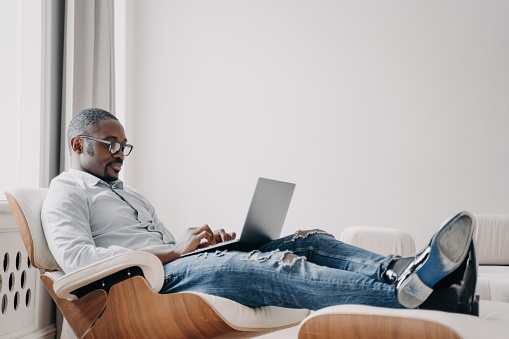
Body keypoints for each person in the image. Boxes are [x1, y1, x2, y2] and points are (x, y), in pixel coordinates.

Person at [41, 107, 478, 315]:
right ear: (78, 144)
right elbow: (76, 261)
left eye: (124, 145)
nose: (120, 153)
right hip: (144, 286)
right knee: (279, 265)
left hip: (177, 267)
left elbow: (165, 246)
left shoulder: (131, 193)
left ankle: (400, 268)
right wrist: (174, 253)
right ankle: (405, 295)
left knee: (309, 239)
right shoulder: (66, 191)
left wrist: (205, 245)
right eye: (109, 144)